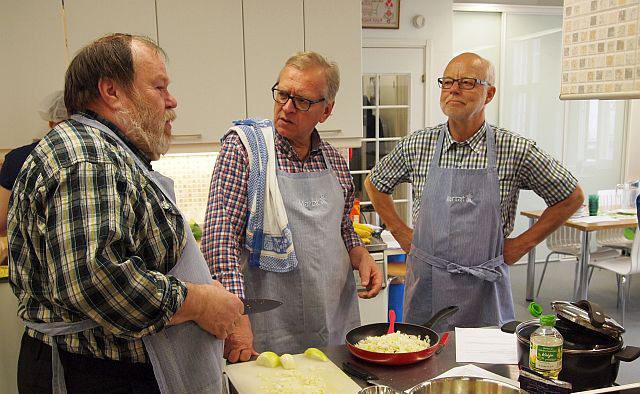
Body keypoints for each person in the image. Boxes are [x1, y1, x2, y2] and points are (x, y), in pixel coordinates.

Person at [8, 33, 243, 394]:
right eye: (159, 87)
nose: (172, 100)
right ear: (111, 92)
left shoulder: (104, 151)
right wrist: (198, 302)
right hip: (90, 375)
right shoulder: (90, 159)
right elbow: (97, 279)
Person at [365, 52, 584, 331]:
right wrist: (401, 232)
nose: (454, 89)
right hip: (427, 284)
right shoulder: (417, 145)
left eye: (467, 82)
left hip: (485, 286)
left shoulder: (515, 149)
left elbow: (571, 196)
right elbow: (375, 183)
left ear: (489, 94)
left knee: (489, 367)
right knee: (423, 362)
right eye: (447, 82)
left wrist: (522, 244)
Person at [201, 51, 383, 361]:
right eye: (283, 94)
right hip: (268, 328)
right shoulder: (246, 151)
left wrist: (360, 253)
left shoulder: (336, 162)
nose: (286, 108)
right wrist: (236, 317)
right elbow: (220, 239)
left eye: (302, 101)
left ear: (326, 111)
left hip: (331, 322)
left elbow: (341, 227)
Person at [0, 91, 68, 237]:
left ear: (50, 122)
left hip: (32, 253)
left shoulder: (17, 159)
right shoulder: (101, 155)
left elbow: (1, 222)